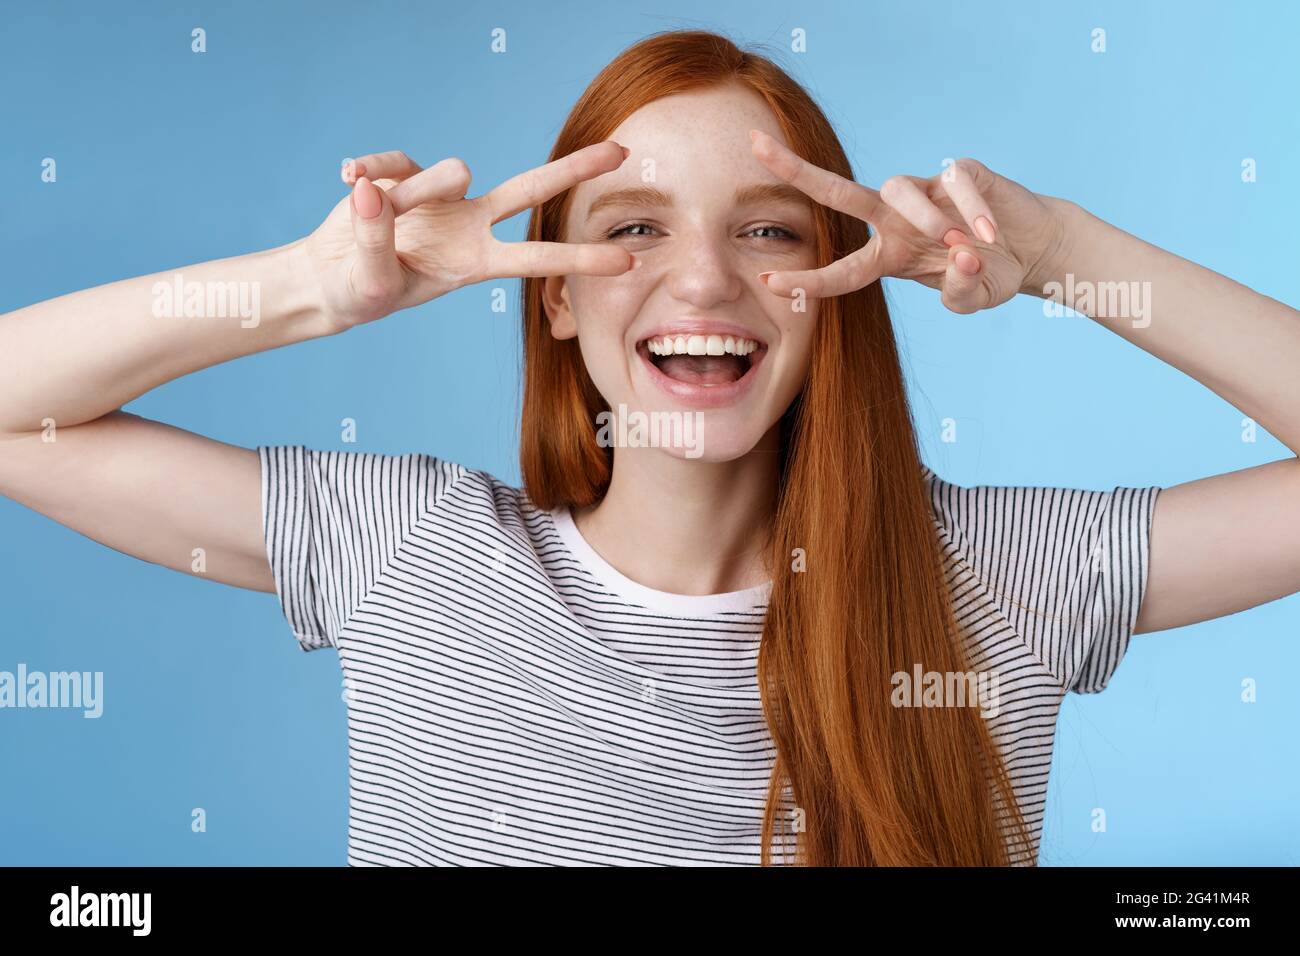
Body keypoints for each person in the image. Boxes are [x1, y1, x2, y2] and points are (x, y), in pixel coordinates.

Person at [2, 30, 1297, 866]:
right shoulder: (409, 556)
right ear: (553, 296)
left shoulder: (1001, 576)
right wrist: (314, 287)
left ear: (838, 279)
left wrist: (1065, 253)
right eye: (629, 230)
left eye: (772, 231)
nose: (701, 280)